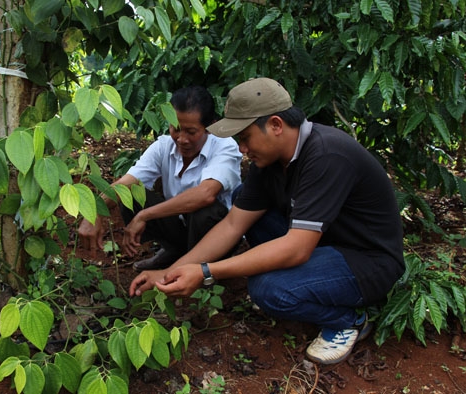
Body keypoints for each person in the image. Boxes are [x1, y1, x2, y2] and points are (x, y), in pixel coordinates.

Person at [129, 77, 405, 365]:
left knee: (267, 289)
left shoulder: (326, 155)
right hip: (323, 243)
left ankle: (349, 319)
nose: (242, 149)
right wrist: (172, 271)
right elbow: (234, 224)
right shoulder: (271, 160)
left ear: (275, 125)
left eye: (245, 138)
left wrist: (206, 272)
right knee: (244, 204)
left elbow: (297, 248)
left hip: (367, 261)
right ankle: (308, 284)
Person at [78, 85, 242, 271]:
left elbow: (206, 194)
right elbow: (126, 183)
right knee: (130, 194)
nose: (181, 139)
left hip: (219, 234)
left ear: (209, 128)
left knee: (205, 211)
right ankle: (174, 251)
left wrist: (144, 215)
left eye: (191, 132)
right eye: (176, 128)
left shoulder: (224, 146)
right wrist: (94, 213)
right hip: (180, 227)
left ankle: (203, 266)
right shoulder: (163, 147)